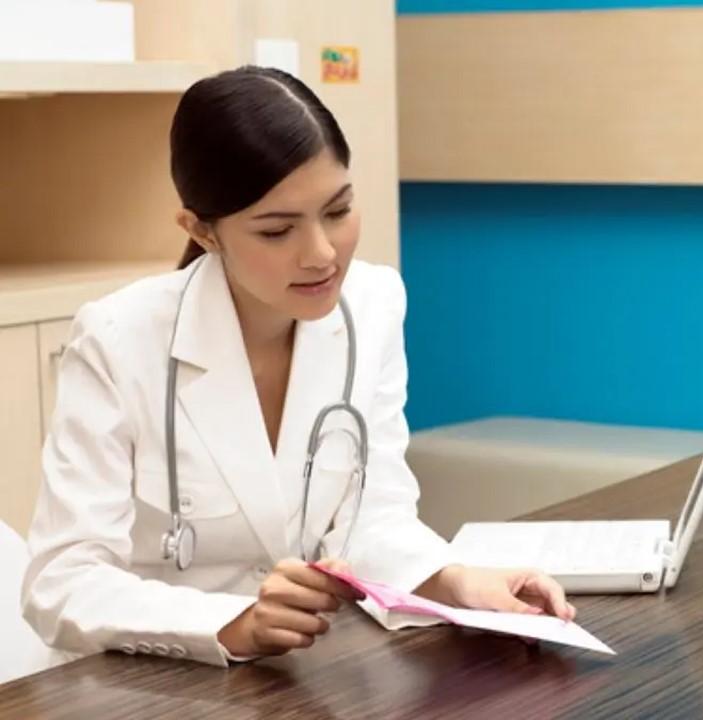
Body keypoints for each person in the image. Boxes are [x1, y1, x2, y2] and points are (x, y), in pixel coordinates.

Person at [23, 66, 574, 667]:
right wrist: (233, 622)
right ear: (201, 231)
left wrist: (455, 583)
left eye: (337, 211)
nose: (321, 254)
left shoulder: (374, 304)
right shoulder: (118, 338)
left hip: (302, 678)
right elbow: (62, 580)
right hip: (146, 682)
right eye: (277, 229)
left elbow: (372, 516)